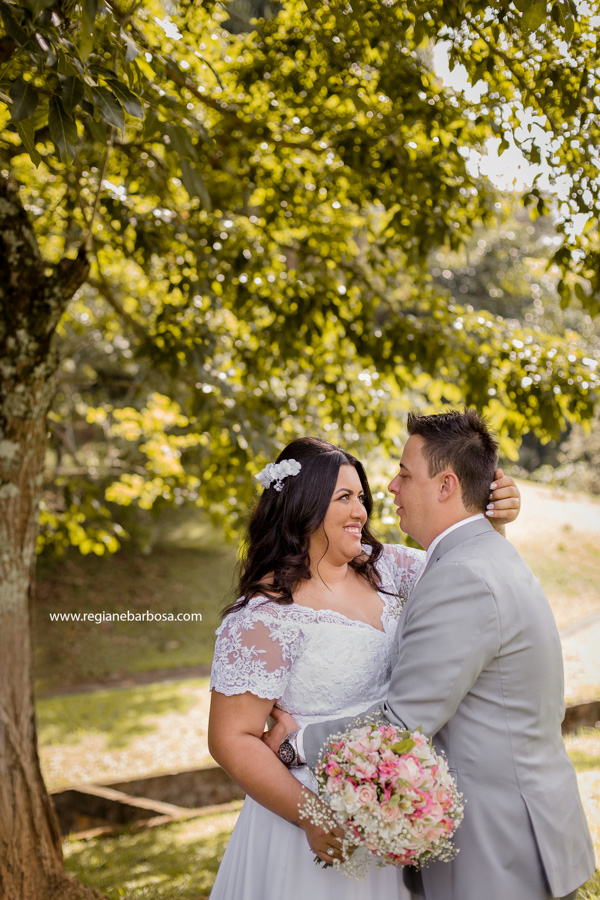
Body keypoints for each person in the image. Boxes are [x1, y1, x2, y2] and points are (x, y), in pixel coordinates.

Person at [267, 412, 595, 900]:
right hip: (524, 833)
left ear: (445, 486)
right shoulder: (486, 554)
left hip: (499, 854)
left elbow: (401, 724)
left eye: (404, 472)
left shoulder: (460, 576)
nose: (391, 487)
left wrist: (296, 745)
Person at [208, 434, 521, 899]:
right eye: (344, 498)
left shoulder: (391, 568)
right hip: (306, 816)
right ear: (304, 507)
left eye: (361, 497)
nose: (362, 512)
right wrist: (312, 816)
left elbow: (470, 579)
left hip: (392, 801)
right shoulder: (265, 614)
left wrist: (497, 522)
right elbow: (230, 738)